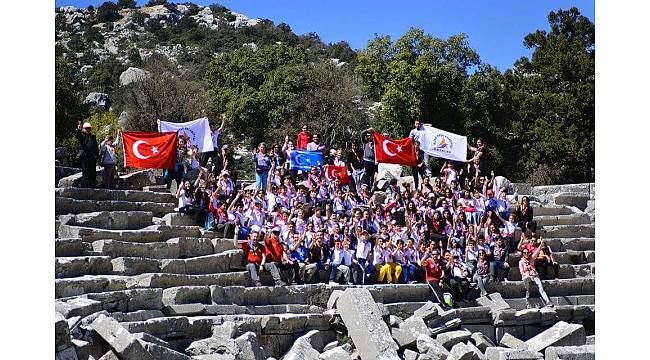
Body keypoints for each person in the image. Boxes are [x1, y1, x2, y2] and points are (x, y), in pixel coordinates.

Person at [519, 242, 554, 308]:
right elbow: (522, 272)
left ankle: (548, 301)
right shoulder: (521, 262)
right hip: (527, 276)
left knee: (541, 288)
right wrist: (529, 276)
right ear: (522, 254)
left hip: (534, 274)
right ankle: (528, 291)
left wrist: (541, 245)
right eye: (524, 253)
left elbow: (537, 252)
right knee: (525, 279)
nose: (526, 254)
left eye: (527, 252)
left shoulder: (531, 259)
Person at [75, 121, 99, 188]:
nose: (88, 129)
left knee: (93, 172)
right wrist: (79, 130)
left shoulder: (93, 136)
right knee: (86, 172)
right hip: (85, 156)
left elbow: (95, 146)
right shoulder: (82, 135)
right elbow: (78, 136)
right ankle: (86, 188)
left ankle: (92, 187)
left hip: (92, 157)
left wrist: (97, 156)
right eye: (86, 128)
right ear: (83, 129)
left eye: (89, 128)